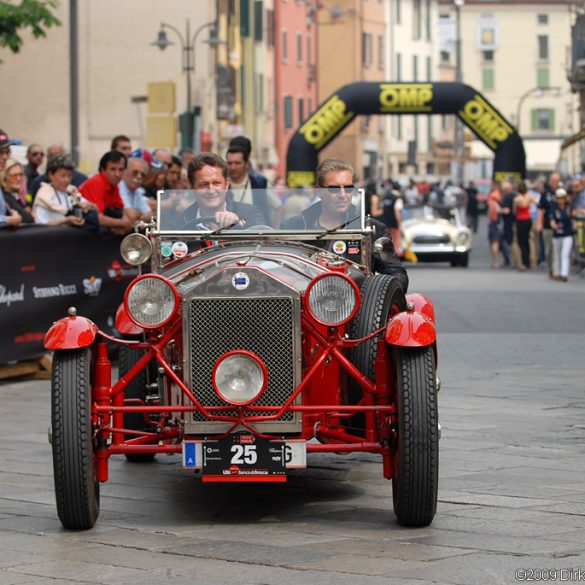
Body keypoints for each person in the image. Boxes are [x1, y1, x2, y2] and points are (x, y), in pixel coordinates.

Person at [280, 158, 408, 293]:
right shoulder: (293, 226)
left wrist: (374, 291)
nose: (342, 195)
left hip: (358, 308)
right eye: (334, 189)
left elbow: (397, 274)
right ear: (319, 191)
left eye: (348, 189)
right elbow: (277, 270)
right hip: (305, 307)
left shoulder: (372, 228)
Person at [171, 152, 264, 230]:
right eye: (204, 184)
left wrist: (239, 223)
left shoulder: (250, 213)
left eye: (216, 183)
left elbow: (265, 241)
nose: (211, 190)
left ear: (226, 185)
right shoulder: (180, 223)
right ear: (192, 187)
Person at [33, 154, 97, 227]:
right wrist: (66, 220)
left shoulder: (71, 191)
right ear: (50, 175)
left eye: (69, 176)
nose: (66, 180)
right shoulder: (43, 195)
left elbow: (89, 205)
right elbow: (40, 224)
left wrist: (89, 206)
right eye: (62, 176)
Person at [226, 144, 282, 226]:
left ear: (246, 164)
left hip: (256, 234)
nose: (233, 167)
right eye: (230, 163)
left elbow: (279, 208)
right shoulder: (221, 185)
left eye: (237, 163)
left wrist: (273, 231)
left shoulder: (260, 183)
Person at [79, 150, 133, 234]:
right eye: (113, 169)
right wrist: (125, 223)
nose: (117, 174)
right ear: (102, 170)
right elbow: (98, 218)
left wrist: (126, 223)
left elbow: (121, 211)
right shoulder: (96, 183)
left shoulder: (114, 185)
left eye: (121, 169)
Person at [537, 171, 561, 278]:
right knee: (549, 250)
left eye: (556, 180)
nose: (554, 182)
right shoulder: (545, 194)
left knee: (559, 249)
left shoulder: (563, 193)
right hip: (547, 225)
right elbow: (540, 210)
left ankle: (558, 271)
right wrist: (539, 222)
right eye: (553, 180)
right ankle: (551, 269)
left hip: (561, 226)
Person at [118, 156, 155, 221]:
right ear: (124, 172)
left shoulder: (137, 191)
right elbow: (131, 216)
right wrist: (140, 214)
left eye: (143, 175)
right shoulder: (119, 187)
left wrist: (138, 214)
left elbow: (150, 214)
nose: (139, 176)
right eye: (135, 172)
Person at [550, 188, 574, 282]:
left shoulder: (569, 207)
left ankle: (564, 274)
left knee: (565, 254)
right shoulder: (554, 207)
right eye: (559, 198)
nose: (561, 200)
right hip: (557, 234)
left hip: (567, 233)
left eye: (562, 198)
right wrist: (553, 225)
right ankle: (557, 272)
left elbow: (572, 216)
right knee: (557, 254)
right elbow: (551, 219)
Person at [0, 159, 35, 223]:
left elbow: (29, 198)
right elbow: (27, 218)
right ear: (4, 177)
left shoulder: (15, 194)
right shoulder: (4, 195)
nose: (18, 179)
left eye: (20, 175)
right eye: (14, 176)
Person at [513, 182, 536, 271]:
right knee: (527, 240)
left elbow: (514, 211)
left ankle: (524, 260)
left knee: (521, 241)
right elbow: (536, 204)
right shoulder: (529, 197)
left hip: (521, 220)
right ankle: (529, 260)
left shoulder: (517, 199)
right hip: (528, 219)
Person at [487, 181, 503, 269]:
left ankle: (495, 261)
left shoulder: (493, 195)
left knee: (494, 241)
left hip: (494, 220)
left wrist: (489, 219)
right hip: (499, 220)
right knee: (497, 241)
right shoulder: (500, 195)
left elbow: (492, 207)